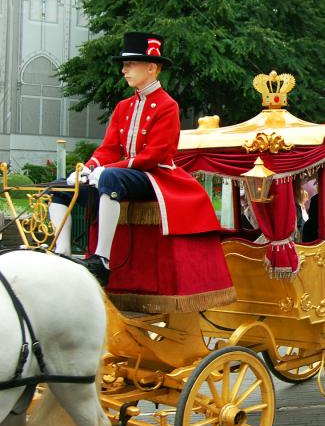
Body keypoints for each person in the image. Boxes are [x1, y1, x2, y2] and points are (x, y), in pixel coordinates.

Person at [48, 32, 219, 286]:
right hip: (120, 177)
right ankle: (60, 254)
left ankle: (102, 261)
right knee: (61, 187)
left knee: (110, 177)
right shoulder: (123, 107)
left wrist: (104, 170)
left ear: (151, 67)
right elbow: (107, 148)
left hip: (155, 177)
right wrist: (88, 167)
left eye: (130, 65)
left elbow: (153, 156)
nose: (124, 71)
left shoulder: (167, 105)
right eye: (124, 65)